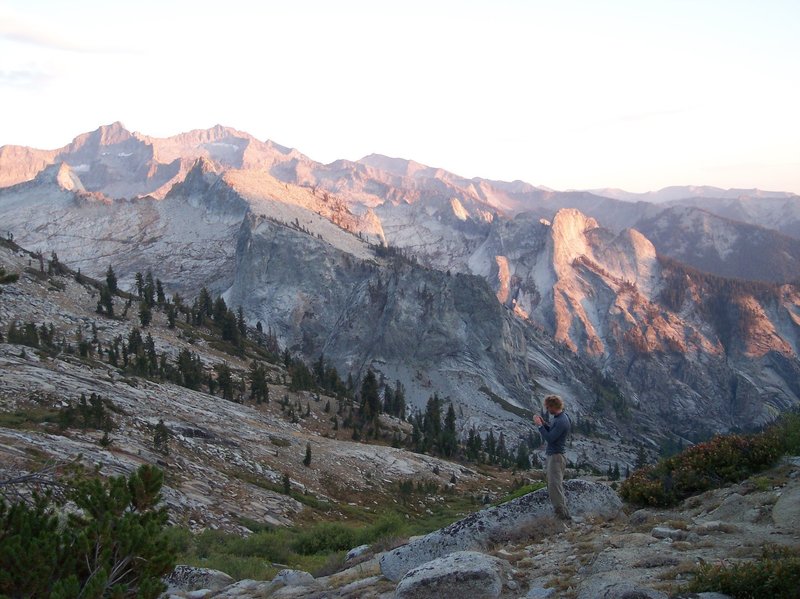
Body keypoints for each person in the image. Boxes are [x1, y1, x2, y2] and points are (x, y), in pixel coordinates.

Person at [534, 394, 572, 521]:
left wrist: (540, 426)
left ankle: (562, 515)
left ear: (554, 406)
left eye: (549, 407)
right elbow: (552, 431)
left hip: (556, 456)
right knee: (554, 484)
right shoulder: (559, 417)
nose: (547, 409)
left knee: (554, 485)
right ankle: (562, 512)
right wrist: (545, 424)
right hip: (555, 454)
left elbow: (550, 438)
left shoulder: (561, 421)